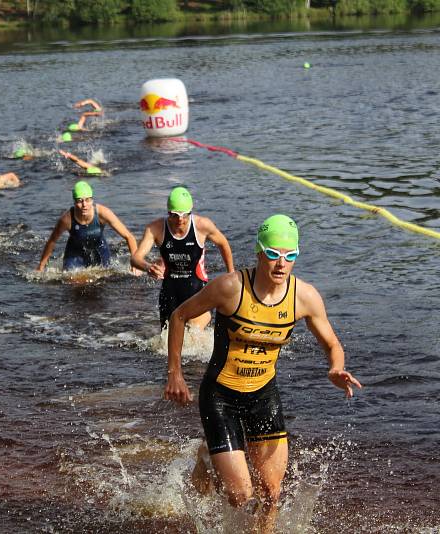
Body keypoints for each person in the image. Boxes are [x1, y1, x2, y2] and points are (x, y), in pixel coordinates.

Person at [165, 214, 363, 534]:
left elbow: (331, 343)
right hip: (221, 396)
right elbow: (179, 316)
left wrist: (335, 367)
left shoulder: (304, 297)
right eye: (273, 254)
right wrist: (175, 373)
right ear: (259, 253)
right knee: (241, 495)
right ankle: (207, 455)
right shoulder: (230, 288)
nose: (281, 263)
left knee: (271, 493)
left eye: (290, 255)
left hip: (263, 395)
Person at [130, 186, 234, 330]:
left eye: (184, 215)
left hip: (197, 289)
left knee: (193, 334)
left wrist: (231, 273)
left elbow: (223, 244)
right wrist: (148, 267)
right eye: (175, 215)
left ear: (190, 212)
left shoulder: (202, 225)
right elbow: (135, 258)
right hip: (170, 291)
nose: (180, 219)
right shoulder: (156, 228)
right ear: (168, 212)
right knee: (166, 341)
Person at [37, 181, 140, 273]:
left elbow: (129, 236)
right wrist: (41, 266)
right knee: (72, 281)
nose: (84, 204)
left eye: (87, 200)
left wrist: (136, 263)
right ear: (74, 202)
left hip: (99, 250)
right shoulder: (67, 219)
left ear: (92, 200)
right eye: (79, 201)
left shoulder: (103, 213)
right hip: (74, 253)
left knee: (105, 277)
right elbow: (52, 241)